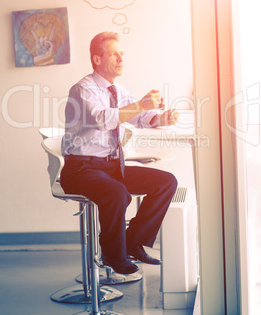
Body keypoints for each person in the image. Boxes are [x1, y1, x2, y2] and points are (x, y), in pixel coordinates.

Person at [60, 31, 179, 275]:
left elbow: (137, 116)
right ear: (96, 59)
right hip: (80, 168)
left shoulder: (118, 89)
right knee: (117, 192)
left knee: (166, 182)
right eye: (114, 54)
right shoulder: (83, 88)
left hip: (111, 166)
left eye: (122, 53)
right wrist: (141, 104)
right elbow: (104, 119)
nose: (121, 58)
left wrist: (159, 118)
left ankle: (133, 242)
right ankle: (114, 253)